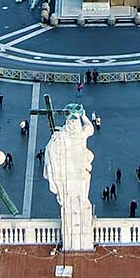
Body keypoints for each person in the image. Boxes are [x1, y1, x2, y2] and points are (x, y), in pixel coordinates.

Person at [43, 106, 94, 251]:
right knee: (80, 199)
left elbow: (50, 153)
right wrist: (84, 116)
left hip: (72, 176)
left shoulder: (61, 137)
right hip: (76, 175)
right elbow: (90, 128)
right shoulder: (77, 135)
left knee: (78, 200)